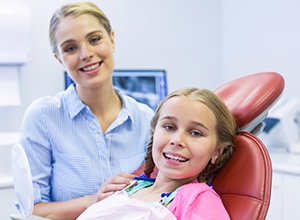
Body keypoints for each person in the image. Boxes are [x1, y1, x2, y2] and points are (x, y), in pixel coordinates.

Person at [18, 2, 154, 219]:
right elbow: (30, 210)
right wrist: (92, 201)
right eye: (70, 48)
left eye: (94, 39)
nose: (86, 54)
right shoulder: (42, 116)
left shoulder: (147, 119)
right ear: (59, 59)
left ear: (112, 39)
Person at [77, 88, 237, 220]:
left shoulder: (198, 199)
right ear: (153, 133)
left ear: (217, 151)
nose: (177, 140)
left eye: (195, 133)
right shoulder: (130, 187)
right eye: (169, 127)